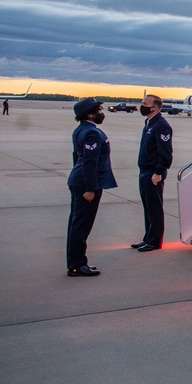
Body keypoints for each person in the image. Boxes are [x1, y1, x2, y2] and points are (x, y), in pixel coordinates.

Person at [66, 98, 116, 277]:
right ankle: (77, 265)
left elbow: (76, 157)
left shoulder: (81, 129)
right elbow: (89, 163)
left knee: (77, 224)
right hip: (86, 184)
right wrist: (90, 188)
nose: (101, 113)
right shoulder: (92, 133)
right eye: (98, 110)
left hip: (78, 180)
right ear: (89, 114)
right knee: (81, 226)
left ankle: (76, 262)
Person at [133, 94, 173, 252]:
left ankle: (155, 241)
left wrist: (158, 172)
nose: (142, 106)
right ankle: (148, 237)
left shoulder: (161, 125)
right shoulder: (149, 123)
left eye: (145, 104)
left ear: (154, 107)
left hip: (153, 173)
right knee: (148, 206)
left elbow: (166, 153)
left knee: (155, 207)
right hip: (144, 170)